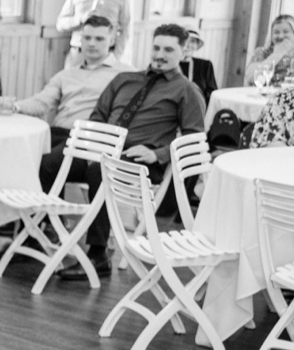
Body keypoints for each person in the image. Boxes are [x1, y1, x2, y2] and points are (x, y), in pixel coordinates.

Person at [47, 24, 206, 282]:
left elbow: (194, 137)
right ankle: (40, 233)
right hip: (102, 149)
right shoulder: (125, 79)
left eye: (168, 49)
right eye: (156, 47)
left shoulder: (187, 90)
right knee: (50, 162)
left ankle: (98, 255)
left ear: (184, 51)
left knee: (100, 170)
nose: (159, 54)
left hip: (141, 160)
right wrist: (95, 140)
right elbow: (98, 115)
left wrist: (159, 154)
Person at [0, 14, 123, 150]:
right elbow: (42, 102)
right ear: (80, 40)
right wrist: (15, 106)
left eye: (99, 39)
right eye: (87, 38)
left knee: (45, 163)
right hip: (56, 133)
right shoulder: (66, 75)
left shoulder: (124, 75)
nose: (92, 43)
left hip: (88, 141)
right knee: (13, 152)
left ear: (111, 41)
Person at [244, 14, 294, 86]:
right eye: (276, 32)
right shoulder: (262, 52)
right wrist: (277, 54)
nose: (281, 36)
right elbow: (251, 77)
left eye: (286, 32)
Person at [180, 24, 219, 105]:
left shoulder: (205, 65)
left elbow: (213, 93)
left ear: (197, 45)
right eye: (185, 41)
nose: (188, 45)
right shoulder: (172, 65)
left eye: (193, 41)